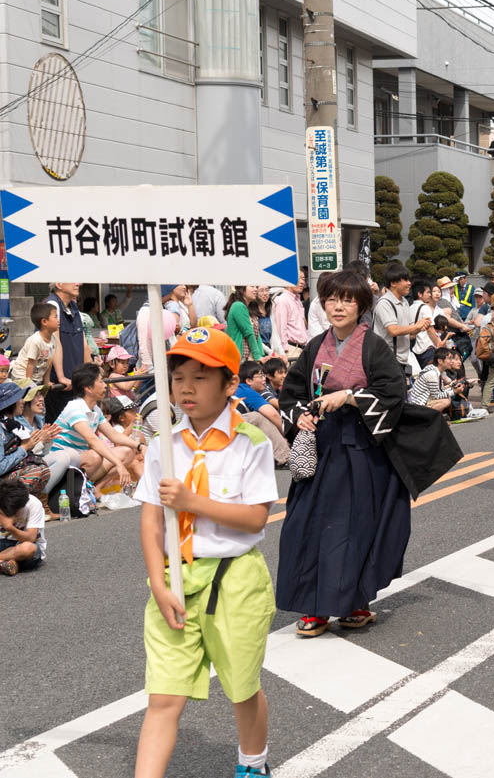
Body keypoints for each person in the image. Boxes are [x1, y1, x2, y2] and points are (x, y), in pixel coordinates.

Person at [276, 269, 462, 638]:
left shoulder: (373, 346)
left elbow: (393, 395)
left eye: (348, 299)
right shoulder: (315, 346)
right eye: (332, 299)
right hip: (323, 448)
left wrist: (348, 396)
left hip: (361, 450)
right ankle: (313, 605)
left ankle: (353, 601)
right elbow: (291, 392)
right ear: (323, 303)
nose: (339, 306)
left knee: (356, 528)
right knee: (307, 525)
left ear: (361, 305)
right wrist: (302, 416)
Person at [131, 326, 278, 778]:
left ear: (230, 383)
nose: (186, 388)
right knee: (163, 696)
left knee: (241, 686)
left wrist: (192, 502)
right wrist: (158, 582)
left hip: (236, 580)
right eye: (177, 378)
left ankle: (253, 765)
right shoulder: (162, 447)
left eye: (200, 376)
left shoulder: (250, 443)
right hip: (178, 579)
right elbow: (152, 520)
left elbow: (256, 517)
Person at [50, 362, 142, 486]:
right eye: (101, 381)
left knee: (128, 451)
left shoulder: (95, 409)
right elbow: (92, 440)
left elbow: (114, 435)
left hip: (79, 460)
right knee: (95, 457)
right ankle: (73, 490)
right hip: (62, 463)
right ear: (88, 388)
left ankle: (96, 488)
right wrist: (118, 464)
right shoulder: (74, 407)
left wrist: (140, 446)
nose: (105, 385)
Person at [373, 263, 430, 389]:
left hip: (401, 361)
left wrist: (419, 328)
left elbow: (409, 335)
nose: (409, 283)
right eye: (405, 280)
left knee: (400, 399)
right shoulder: (385, 303)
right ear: (393, 283)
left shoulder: (404, 302)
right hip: (386, 361)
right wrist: (416, 325)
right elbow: (393, 330)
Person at [45, 283, 94, 424]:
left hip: (76, 381)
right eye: (72, 280)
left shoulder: (73, 307)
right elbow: (55, 343)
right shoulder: (52, 306)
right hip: (60, 385)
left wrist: (92, 371)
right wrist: (61, 376)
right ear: (59, 284)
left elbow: (83, 343)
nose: (78, 283)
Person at [233, 362, 290, 468]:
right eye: (260, 376)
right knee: (258, 417)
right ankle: (284, 456)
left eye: (264, 375)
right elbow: (273, 414)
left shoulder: (238, 389)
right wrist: (287, 434)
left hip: (223, 423)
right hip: (228, 424)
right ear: (249, 381)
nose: (264, 379)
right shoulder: (246, 390)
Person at [0, 480, 45, 576]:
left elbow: (31, 537)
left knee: (27, 549)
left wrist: (9, 527)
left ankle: (4, 561)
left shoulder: (33, 504)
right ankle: (7, 563)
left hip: (22, 546)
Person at [11, 302, 58, 386]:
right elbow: (30, 363)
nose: (58, 320)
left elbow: (49, 362)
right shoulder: (35, 341)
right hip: (21, 376)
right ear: (44, 321)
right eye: (55, 317)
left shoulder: (53, 339)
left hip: (35, 378)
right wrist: (29, 384)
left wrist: (46, 381)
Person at [270, 271, 308, 359]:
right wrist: (284, 351)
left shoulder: (297, 299)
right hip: (290, 350)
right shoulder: (282, 300)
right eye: (299, 279)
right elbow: (280, 327)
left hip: (300, 349)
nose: (302, 282)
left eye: (303, 279)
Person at [224, 286, 264, 362]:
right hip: (240, 357)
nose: (255, 289)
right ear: (242, 289)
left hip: (249, 358)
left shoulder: (248, 307)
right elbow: (248, 332)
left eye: (256, 286)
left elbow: (256, 335)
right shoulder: (238, 306)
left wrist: (261, 355)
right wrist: (257, 356)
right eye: (252, 286)